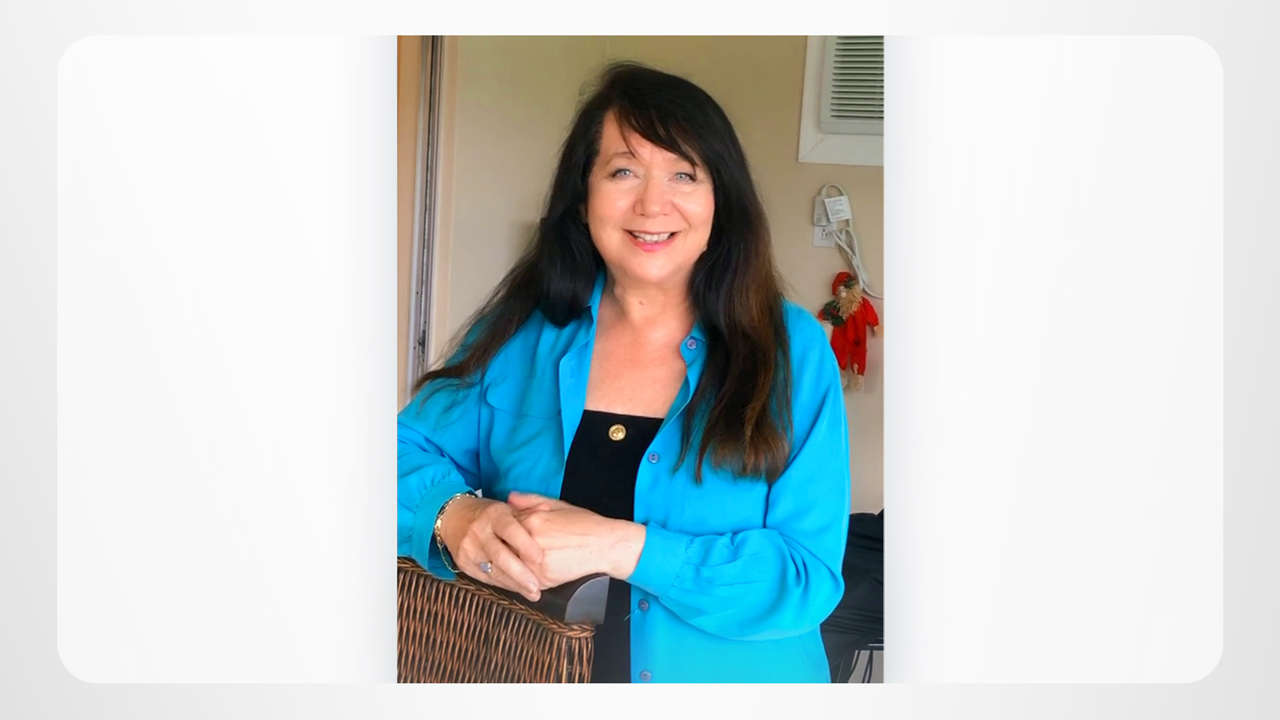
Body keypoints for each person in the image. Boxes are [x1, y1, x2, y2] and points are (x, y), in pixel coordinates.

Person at [397, 62, 851, 683]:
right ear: (583, 197)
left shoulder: (791, 349)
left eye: (684, 174)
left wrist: (622, 547)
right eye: (623, 171)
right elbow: (396, 455)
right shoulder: (523, 331)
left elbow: (805, 578)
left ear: (721, 201)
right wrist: (456, 516)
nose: (652, 204)